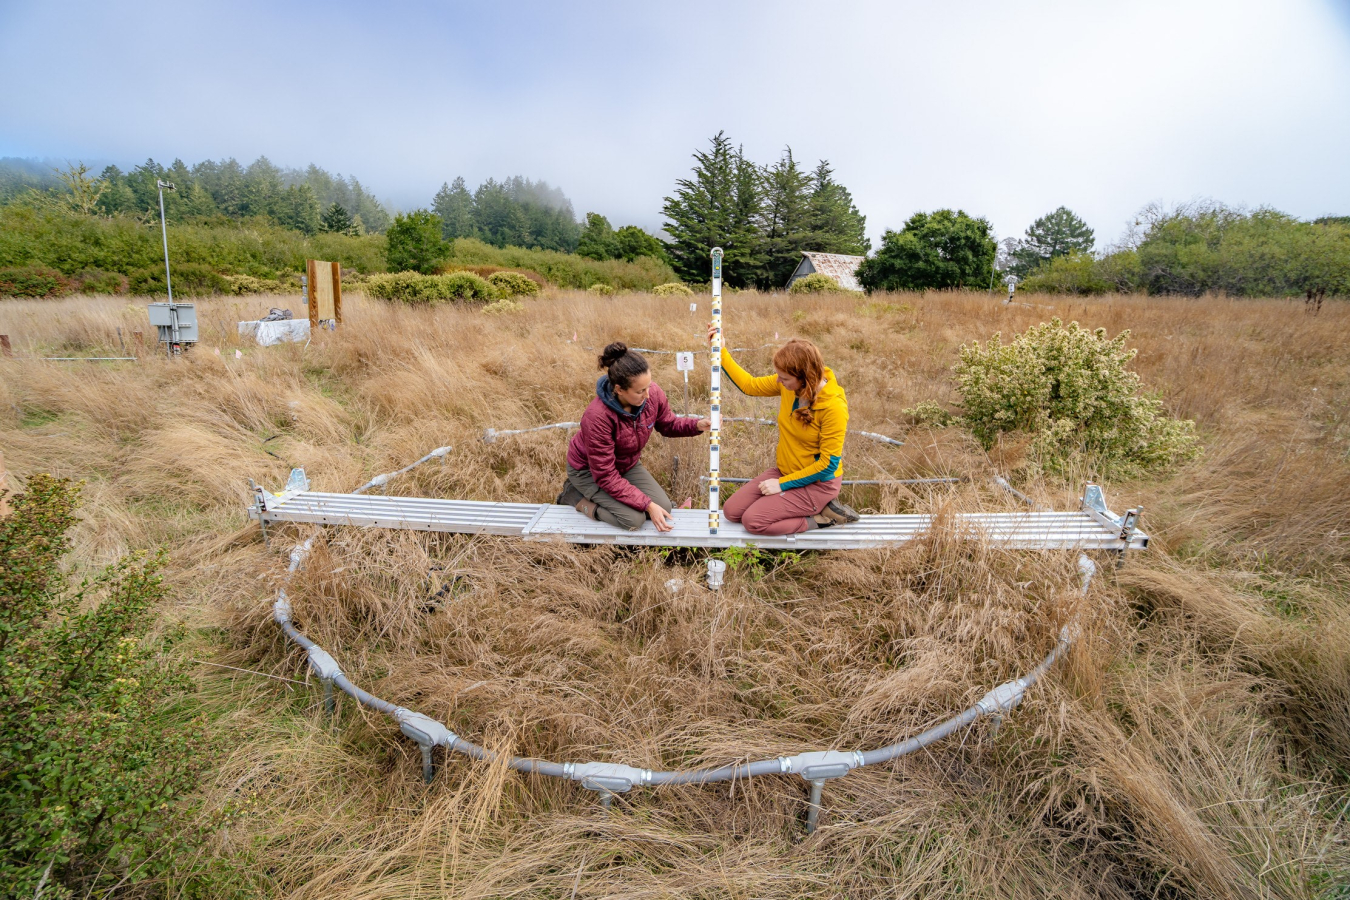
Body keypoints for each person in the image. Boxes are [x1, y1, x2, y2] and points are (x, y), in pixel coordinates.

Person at [711, 330, 860, 535]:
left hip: (817, 484)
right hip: (786, 471)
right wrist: (721, 351)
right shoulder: (790, 386)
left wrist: (782, 485)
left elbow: (828, 465)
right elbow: (749, 385)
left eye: (784, 378)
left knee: (753, 521)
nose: (779, 382)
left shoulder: (834, 408)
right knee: (731, 511)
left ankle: (822, 518)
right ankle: (796, 506)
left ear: (805, 378)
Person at [559, 342, 709, 532]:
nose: (648, 395)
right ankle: (574, 496)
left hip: (625, 465)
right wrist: (647, 504)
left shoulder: (651, 393)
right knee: (633, 520)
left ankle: (631, 502)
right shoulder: (597, 417)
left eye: (648, 387)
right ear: (619, 389)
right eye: (640, 391)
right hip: (590, 472)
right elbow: (605, 475)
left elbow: (668, 424)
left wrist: (697, 425)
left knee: (665, 507)